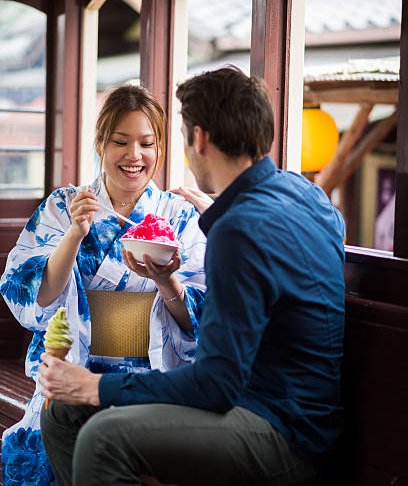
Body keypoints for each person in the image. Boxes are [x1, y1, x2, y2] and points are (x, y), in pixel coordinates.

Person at [39, 66, 346, 486]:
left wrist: (95, 388)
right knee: (62, 413)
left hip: (279, 427)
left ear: (198, 138)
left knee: (102, 438)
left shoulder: (238, 226)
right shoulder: (306, 194)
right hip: (291, 410)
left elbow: (215, 385)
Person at [0, 84, 206, 486]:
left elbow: (201, 314)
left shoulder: (179, 216)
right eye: (120, 142)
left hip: (148, 375)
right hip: (71, 368)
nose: (134, 156)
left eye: (147, 143)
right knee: (38, 444)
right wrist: (75, 233)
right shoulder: (64, 205)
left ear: (160, 149)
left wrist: (166, 281)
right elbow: (31, 294)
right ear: (99, 143)